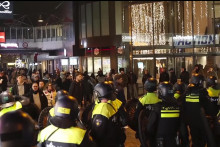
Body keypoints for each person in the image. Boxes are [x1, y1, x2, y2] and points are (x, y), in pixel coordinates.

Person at [182, 73, 216, 147]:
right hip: (201, 121)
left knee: (194, 138)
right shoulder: (202, 92)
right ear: (199, 82)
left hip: (190, 121)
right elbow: (209, 108)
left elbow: (183, 106)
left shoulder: (186, 92)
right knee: (202, 140)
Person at [91, 82, 127, 147]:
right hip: (116, 138)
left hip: (106, 142)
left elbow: (97, 134)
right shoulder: (112, 103)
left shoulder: (101, 110)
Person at [134, 78, 161, 146]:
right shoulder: (159, 99)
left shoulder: (142, 100)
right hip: (157, 126)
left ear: (145, 87)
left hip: (145, 127)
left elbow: (137, 116)